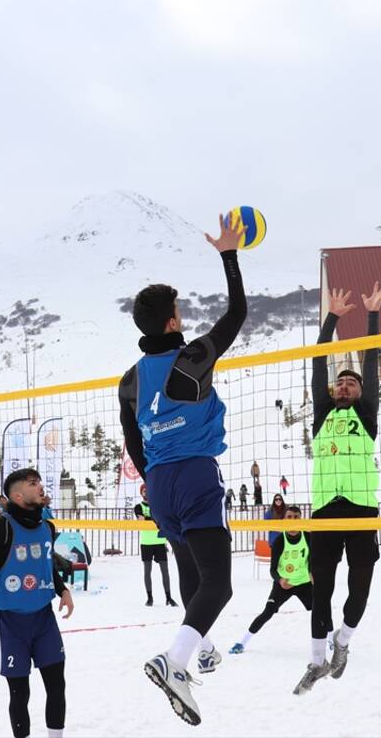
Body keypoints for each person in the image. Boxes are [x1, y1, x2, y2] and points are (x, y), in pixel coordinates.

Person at [117, 215, 244, 726]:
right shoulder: (190, 360)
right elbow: (236, 313)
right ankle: (173, 663)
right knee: (220, 582)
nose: (183, 316)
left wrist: (154, 476)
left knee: (191, 574)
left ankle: (203, 649)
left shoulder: (129, 380)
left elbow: (131, 439)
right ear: (171, 322)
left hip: (160, 486)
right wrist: (229, 255)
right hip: (193, 474)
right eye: (179, 311)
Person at [295, 282, 381, 696]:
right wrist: (331, 318)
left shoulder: (366, 416)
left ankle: (343, 641)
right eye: (340, 383)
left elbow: (370, 364)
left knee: (361, 584)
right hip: (325, 511)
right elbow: (318, 363)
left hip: (361, 509)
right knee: (322, 588)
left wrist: (372, 316)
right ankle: (316, 659)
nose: (346, 385)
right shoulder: (322, 415)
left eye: (351, 383)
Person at [0, 468, 74, 738]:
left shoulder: (47, 527)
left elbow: (46, 567)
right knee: (20, 692)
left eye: (39, 481)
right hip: (11, 622)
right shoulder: (0, 529)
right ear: (16, 495)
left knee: (56, 686)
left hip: (43, 619)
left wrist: (63, 590)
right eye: (33, 483)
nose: (40, 487)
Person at [231, 506, 315, 654]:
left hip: (303, 583)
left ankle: (330, 642)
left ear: (300, 519)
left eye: (296, 517)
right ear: (284, 520)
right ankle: (241, 643)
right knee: (268, 612)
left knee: (320, 611)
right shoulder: (279, 541)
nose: (293, 520)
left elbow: (312, 561)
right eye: (289, 517)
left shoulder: (308, 537)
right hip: (283, 584)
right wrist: (281, 580)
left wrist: (311, 573)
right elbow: (273, 570)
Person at [134, 484, 177, 607]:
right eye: (144, 491)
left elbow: (161, 519)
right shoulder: (138, 507)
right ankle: (150, 598)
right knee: (147, 571)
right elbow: (142, 520)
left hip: (160, 542)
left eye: (148, 491)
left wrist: (153, 519)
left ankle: (169, 598)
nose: (146, 493)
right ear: (141, 493)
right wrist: (154, 519)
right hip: (146, 542)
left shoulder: (157, 506)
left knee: (165, 571)